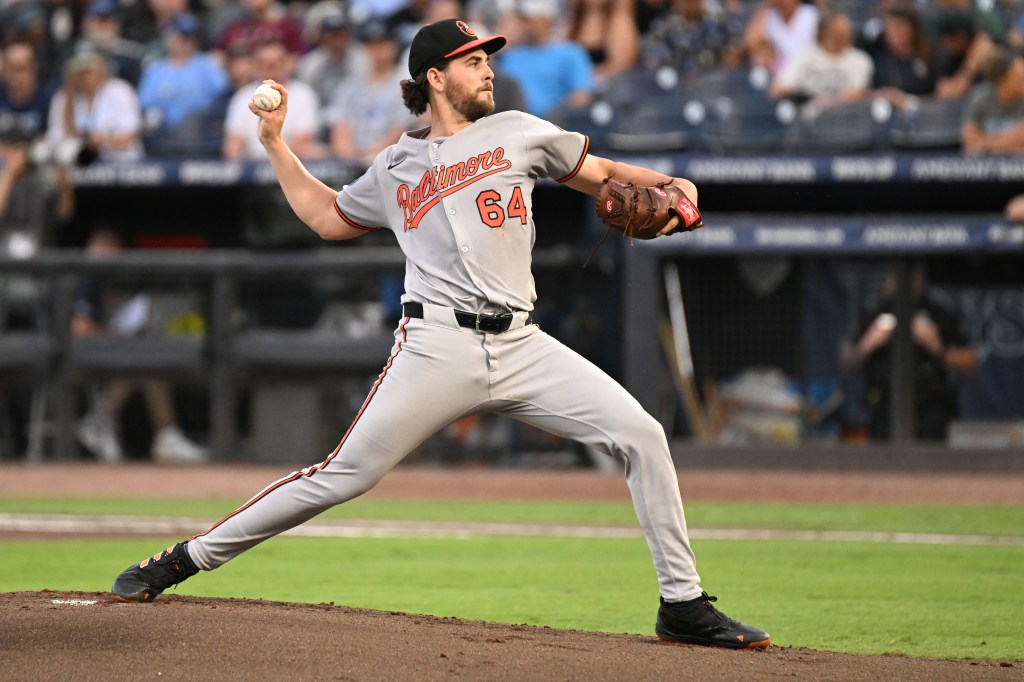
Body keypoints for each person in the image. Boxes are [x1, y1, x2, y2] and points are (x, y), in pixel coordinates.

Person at [108, 17, 770, 651]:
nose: (488, 71)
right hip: (435, 348)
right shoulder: (393, 166)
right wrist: (277, 144)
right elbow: (327, 218)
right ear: (434, 77)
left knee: (642, 436)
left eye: (488, 60)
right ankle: (183, 559)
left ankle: (682, 605)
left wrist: (676, 188)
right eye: (474, 62)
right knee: (341, 476)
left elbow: (612, 177)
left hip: (521, 345)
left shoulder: (518, 131)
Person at [73, 226, 208, 464]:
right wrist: (112, 334)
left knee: (146, 362)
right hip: (76, 351)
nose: (102, 255)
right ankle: (161, 432)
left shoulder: (122, 277)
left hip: (114, 350)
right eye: (98, 249)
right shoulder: (86, 277)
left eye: (108, 250)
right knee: (141, 358)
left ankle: (105, 420)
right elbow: (80, 328)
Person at [840, 261, 977, 441]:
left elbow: (971, 364)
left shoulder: (939, 315)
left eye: (912, 279)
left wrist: (938, 347)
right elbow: (846, 365)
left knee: (930, 464)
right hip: (884, 408)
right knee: (882, 464)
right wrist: (868, 344)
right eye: (894, 278)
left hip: (930, 410)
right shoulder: (876, 316)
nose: (903, 285)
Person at [326, 18, 420, 165]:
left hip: (393, 161)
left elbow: (403, 130)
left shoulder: (408, 83)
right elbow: (340, 130)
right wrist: (350, 158)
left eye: (382, 43)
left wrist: (371, 157)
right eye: (371, 44)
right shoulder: (349, 85)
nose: (376, 49)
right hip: (351, 163)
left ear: (393, 45)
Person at [44, 40, 145, 163]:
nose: (86, 75)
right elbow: (55, 138)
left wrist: (100, 140)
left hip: (121, 163)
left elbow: (130, 137)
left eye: (90, 68)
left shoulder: (119, 91)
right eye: (80, 70)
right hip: (77, 164)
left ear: (102, 67)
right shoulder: (63, 98)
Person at [222, 39, 323, 161]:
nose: (270, 68)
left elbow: (300, 144)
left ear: (287, 64)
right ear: (255, 66)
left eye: (276, 63)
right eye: (264, 63)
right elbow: (233, 144)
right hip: (250, 168)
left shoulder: (304, 95)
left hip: (292, 166)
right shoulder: (242, 96)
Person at [497, 0, 596, 117]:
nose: (526, 25)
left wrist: (557, 116)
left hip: (554, 125)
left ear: (548, 20)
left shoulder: (570, 52)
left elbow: (582, 95)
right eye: (523, 20)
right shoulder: (508, 55)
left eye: (531, 19)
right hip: (511, 123)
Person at [137, 13, 230, 136]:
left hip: (200, 132)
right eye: (181, 37)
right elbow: (146, 103)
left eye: (190, 37)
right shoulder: (156, 69)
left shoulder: (208, 64)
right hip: (162, 133)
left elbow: (222, 96)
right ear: (169, 37)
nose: (185, 42)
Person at [769, 10, 874, 110]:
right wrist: (788, 92)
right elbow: (779, 88)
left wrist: (825, 103)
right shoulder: (803, 57)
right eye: (837, 31)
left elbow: (857, 94)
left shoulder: (860, 60)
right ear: (822, 33)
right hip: (807, 119)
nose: (843, 35)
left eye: (846, 30)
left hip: (845, 119)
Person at [961, 46, 1024, 154]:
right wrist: (1008, 143)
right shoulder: (980, 98)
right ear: (1000, 80)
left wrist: (985, 143)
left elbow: (1021, 138)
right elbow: (970, 142)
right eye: (1019, 78)